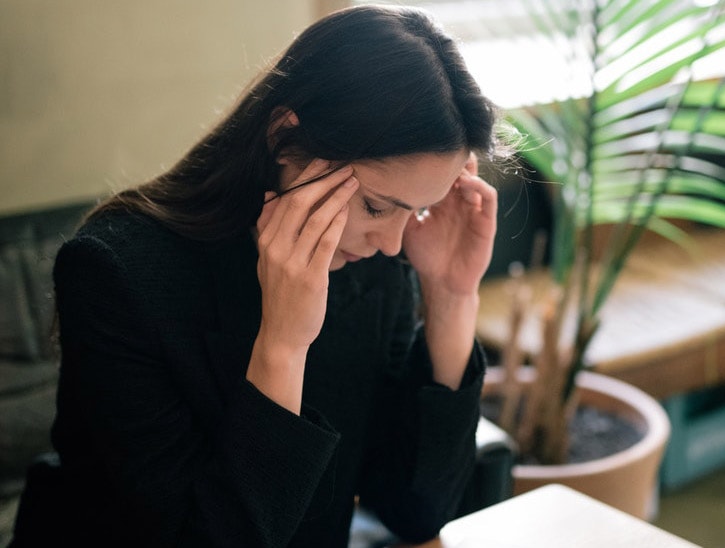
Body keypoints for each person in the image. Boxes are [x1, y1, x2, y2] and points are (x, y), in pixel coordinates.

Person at [10, 4, 505, 547]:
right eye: (376, 206)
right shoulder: (115, 273)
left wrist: (451, 297)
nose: (393, 242)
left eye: (419, 211)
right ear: (285, 139)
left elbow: (414, 511)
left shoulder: (374, 267)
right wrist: (283, 346)